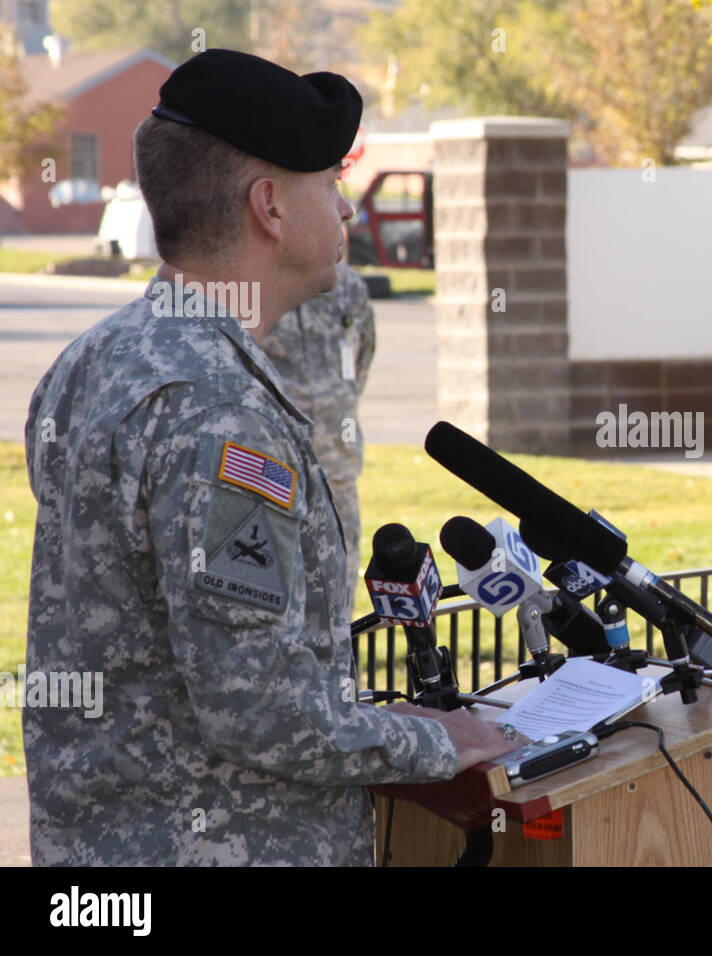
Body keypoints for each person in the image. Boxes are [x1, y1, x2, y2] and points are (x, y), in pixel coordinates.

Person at [23, 49, 517, 866]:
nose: (348, 212)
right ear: (271, 207)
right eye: (329, 185)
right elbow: (258, 710)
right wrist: (441, 742)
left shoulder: (95, 359)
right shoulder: (223, 414)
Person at [262, 260, 375, 617]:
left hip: (336, 459)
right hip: (272, 457)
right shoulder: (257, 281)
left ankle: (339, 664)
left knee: (338, 576)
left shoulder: (348, 287)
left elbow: (362, 355)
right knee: (274, 575)